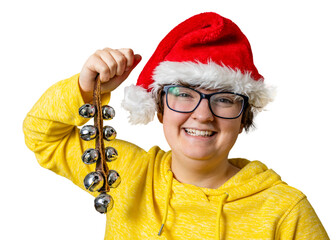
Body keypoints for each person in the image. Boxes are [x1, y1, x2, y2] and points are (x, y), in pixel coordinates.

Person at [23, 12, 329, 239]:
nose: (203, 114)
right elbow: (41, 135)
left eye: (224, 99)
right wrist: (86, 91)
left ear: (244, 116)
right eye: (183, 94)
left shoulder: (286, 211)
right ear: (159, 109)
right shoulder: (125, 172)